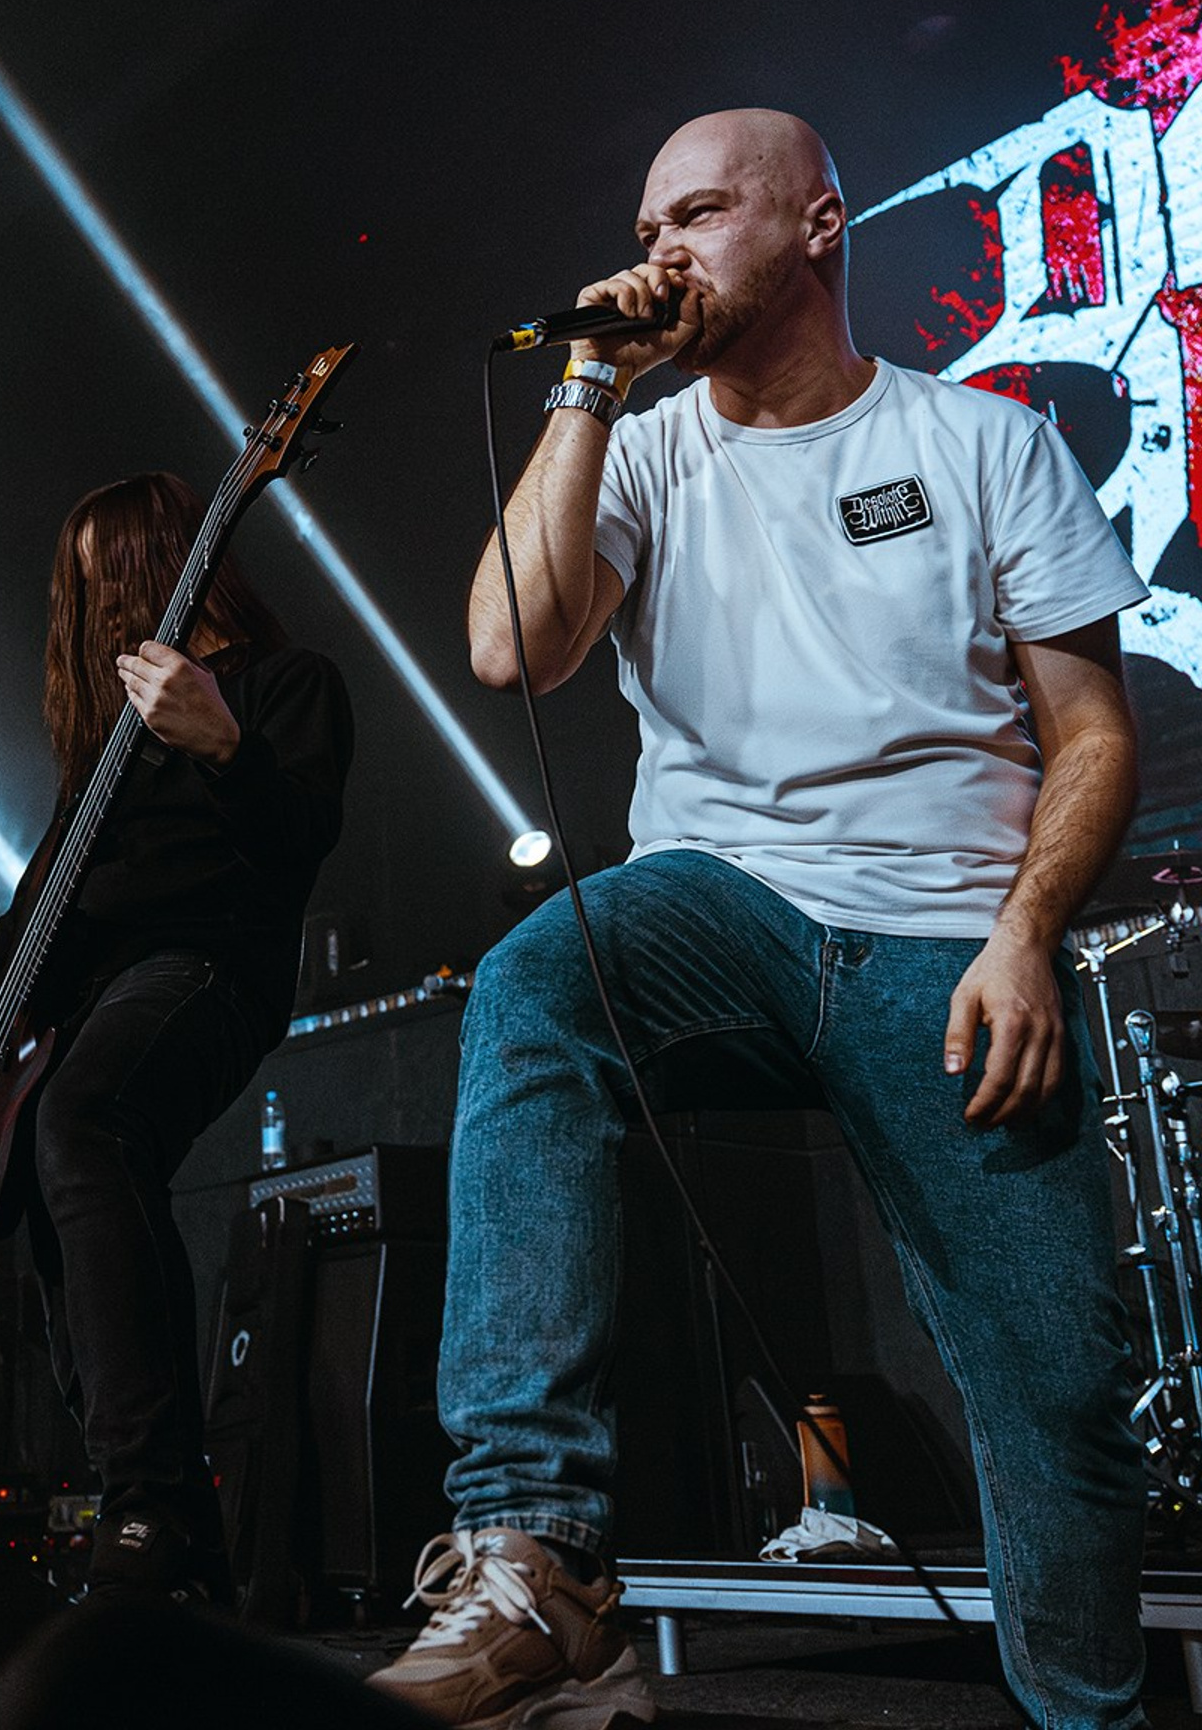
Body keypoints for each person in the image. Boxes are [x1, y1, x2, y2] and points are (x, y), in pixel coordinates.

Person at [370, 110, 1149, 1729]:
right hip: (722, 902)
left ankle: (1092, 1715)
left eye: (704, 211)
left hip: (948, 936)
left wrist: (1026, 935)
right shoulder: (643, 454)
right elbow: (513, 651)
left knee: (1060, 1392)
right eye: (650, 219)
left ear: (819, 224)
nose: (665, 247)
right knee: (540, 982)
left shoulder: (979, 441)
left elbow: (1092, 734)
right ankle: (534, 1558)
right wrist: (590, 384)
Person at [0, 472, 352, 1603]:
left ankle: (149, 1508)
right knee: (57, 1173)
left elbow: (299, 847)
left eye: (121, 570)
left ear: (180, 562)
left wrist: (225, 743)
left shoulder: (287, 683)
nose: (101, 599)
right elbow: (38, 908)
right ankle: (164, 1520)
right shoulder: (103, 759)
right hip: (87, 1000)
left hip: (210, 968)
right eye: (82, 582)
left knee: (87, 1117)